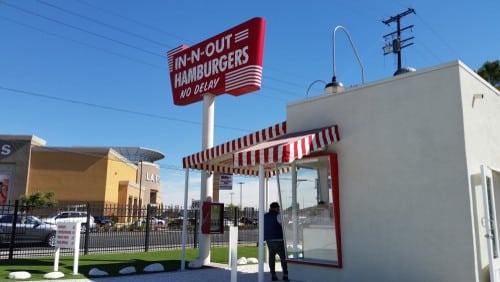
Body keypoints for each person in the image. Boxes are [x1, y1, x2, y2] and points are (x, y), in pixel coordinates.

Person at [264, 202, 289, 281]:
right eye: (278, 208)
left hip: (269, 240)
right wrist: (287, 219)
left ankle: (273, 275)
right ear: (275, 208)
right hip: (279, 239)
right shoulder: (278, 216)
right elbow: (284, 225)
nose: (279, 209)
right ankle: (285, 274)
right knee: (283, 257)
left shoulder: (264, 216)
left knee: (271, 257)